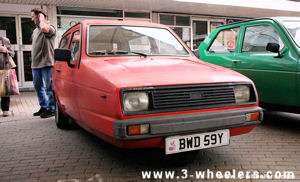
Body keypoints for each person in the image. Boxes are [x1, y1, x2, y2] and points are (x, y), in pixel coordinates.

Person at [30, 8, 56, 118]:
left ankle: (52, 109)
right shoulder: (35, 31)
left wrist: (41, 19)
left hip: (47, 63)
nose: (32, 19)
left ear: (40, 16)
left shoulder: (50, 27)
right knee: (38, 86)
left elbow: (44, 28)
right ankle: (44, 106)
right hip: (35, 64)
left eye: (33, 17)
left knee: (49, 88)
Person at [0, 36, 15, 117]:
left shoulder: (5, 40)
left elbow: (12, 53)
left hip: (4, 69)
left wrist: (6, 50)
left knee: (5, 91)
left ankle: (5, 110)